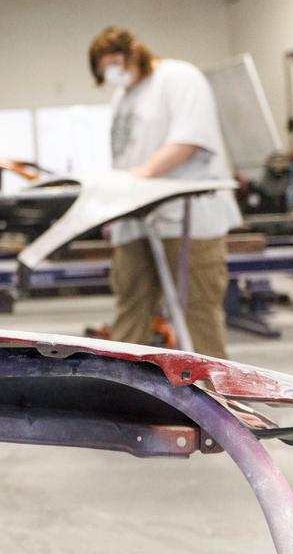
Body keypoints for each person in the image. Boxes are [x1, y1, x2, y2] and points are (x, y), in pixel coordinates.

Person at [88, 26, 242, 359]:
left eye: (114, 63)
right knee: (131, 308)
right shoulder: (122, 97)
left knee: (197, 312)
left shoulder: (179, 78)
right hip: (136, 219)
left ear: (133, 51)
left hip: (188, 217)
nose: (113, 74)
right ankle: (122, 398)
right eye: (105, 71)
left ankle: (213, 401)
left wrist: (140, 176)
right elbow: (123, 155)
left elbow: (189, 139)